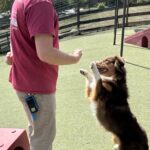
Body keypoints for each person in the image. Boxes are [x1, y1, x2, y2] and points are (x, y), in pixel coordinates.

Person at [5, 0, 82, 150]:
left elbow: (18, 34)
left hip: (22, 84)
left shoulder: (20, 2)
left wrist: (15, 54)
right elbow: (46, 53)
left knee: (36, 130)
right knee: (43, 139)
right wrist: (74, 58)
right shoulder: (40, 4)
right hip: (37, 88)